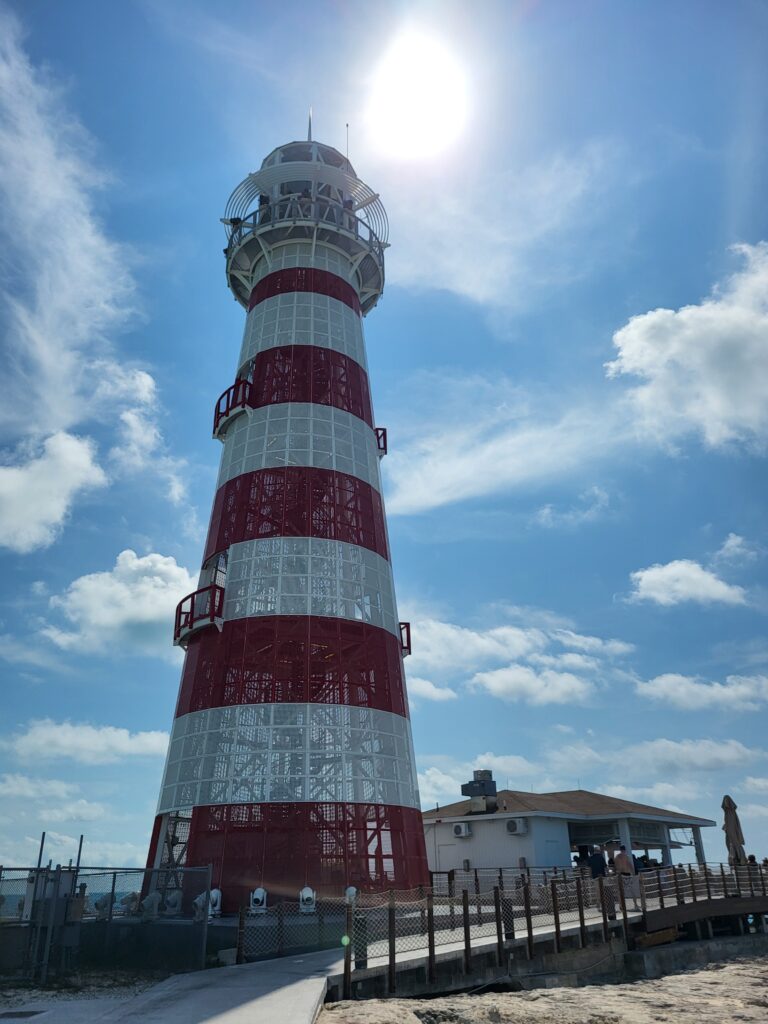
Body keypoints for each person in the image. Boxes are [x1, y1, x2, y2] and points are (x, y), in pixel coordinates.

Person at [613, 844, 640, 910]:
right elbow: (630, 866)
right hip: (627, 874)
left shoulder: (617, 857)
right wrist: (633, 874)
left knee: (620, 890)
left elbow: (615, 867)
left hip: (620, 875)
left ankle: (621, 905)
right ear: (625, 850)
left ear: (620, 850)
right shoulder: (627, 857)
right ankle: (635, 904)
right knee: (632, 890)